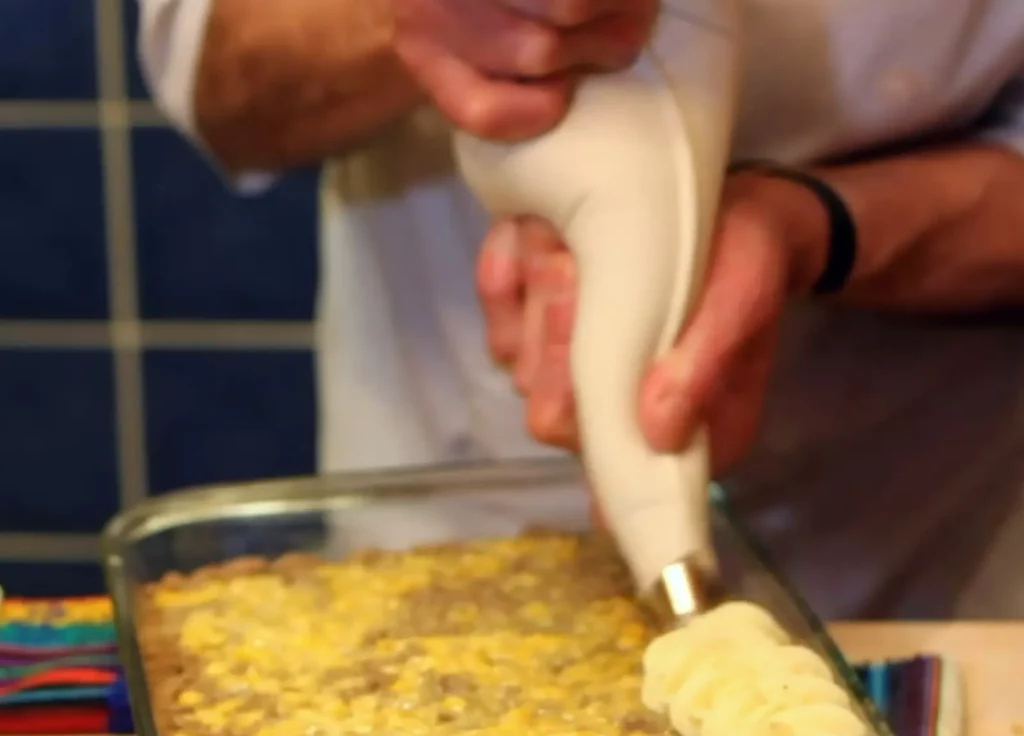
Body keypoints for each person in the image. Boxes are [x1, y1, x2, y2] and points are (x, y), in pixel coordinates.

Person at [138, 0, 1024, 619]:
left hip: (936, 550)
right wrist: (399, 14)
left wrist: (816, 229)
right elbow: (219, 85)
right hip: (450, 524)